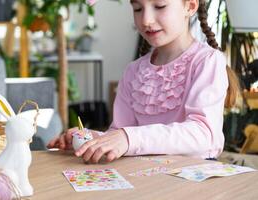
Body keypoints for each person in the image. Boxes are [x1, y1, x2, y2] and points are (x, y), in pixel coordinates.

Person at [47, 0, 240, 163]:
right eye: (137, 8)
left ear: (189, 6)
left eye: (160, 6)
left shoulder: (207, 61)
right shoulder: (133, 71)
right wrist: (90, 140)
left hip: (193, 182)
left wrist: (128, 138)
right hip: (145, 182)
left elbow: (203, 136)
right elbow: (120, 132)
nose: (146, 20)